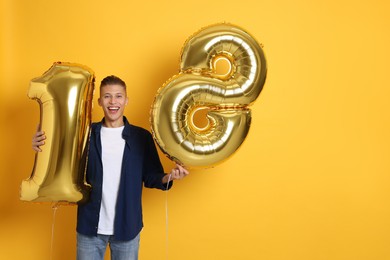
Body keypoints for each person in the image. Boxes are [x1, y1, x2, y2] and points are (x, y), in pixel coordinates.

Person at [32, 75, 189, 260]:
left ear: (126, 100)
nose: (113, 101)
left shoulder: (141, 137)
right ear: (99, 101)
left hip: (127, 228)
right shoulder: (85, 134)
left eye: (118, 96)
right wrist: (40, 147)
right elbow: (61, 161)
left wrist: (170, 176)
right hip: (89, 228)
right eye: (107, 96)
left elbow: (151, 176)